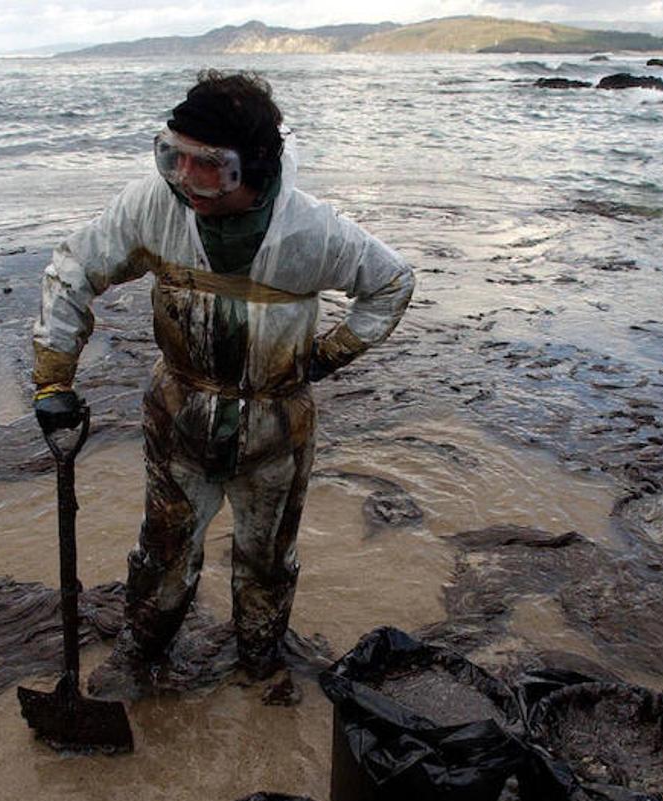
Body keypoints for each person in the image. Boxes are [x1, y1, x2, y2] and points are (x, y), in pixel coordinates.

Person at [32, 70, 414, 697]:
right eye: (171, 157)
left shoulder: (313, 232)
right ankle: (142, 654)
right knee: (163, 554)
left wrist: (328, 356)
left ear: (253, 167)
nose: (184, 179)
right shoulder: (154, 207)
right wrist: (53, 382)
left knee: (266, 560)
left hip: (275, 428)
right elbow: (73, 269)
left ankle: (259, 662)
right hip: (180, 414)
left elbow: (392, 283)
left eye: (206, 166)